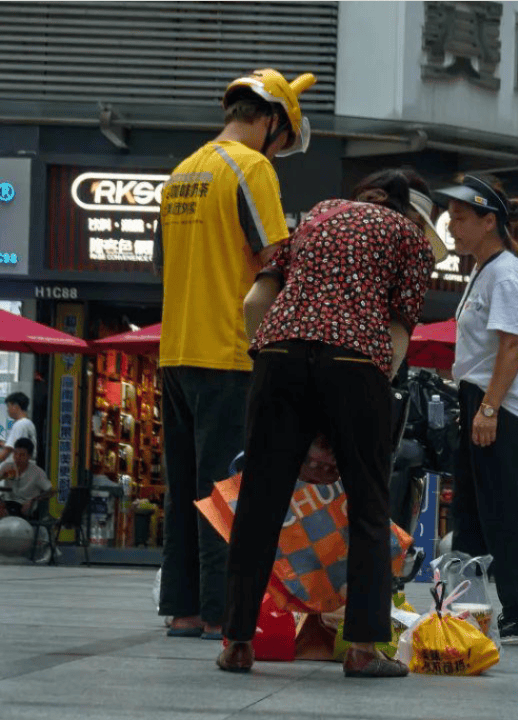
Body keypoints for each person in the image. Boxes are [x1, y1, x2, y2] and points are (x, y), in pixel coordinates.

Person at [215, 169, 440, 675]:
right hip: (356, 361)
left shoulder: (315, 217)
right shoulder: (410, 239)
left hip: (279, 353)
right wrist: (362, 407)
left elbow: (256, 301)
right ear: (412, 211)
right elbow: (396, 333)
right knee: (368, 505)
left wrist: (276, 373)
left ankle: (236, 641)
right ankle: (362, 648)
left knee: (259, 502)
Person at [154, 69, 317, 641]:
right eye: (283, 138)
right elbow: (276, 260)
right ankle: (226, 610)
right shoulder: (250, 168)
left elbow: (163, 265)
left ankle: (183, 608)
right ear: (272, 120)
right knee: (226, 491)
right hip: (229, 352)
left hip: (174, 352)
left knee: (186, 488)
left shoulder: (180, 174)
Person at [436, 174, 518, 646]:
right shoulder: (484, 270)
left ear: (489, 221)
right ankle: (466, 610)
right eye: (450, 217)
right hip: (481, 400)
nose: (452, 227)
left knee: (507, 513)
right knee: (472, 514)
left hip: (503, 407)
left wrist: (489, 408)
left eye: (462, 218)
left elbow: (512, 345)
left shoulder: (506, 273)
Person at [0, 438, 51, 519]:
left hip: (26, 511)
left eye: (22, 455)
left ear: (29, 456)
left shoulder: (37, 472)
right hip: (7, 507)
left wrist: (34, 500)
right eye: (15, 454)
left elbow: (49, 491)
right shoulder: (7, 467)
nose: (17, 457)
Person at [0, 392, 36, 463]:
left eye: (8, 406)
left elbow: (8, 451)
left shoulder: (20, 425)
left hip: (19, 469)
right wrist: (2, 444)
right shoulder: (28, 423)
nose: (7, 410)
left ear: (15, 406)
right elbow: (17, 447)